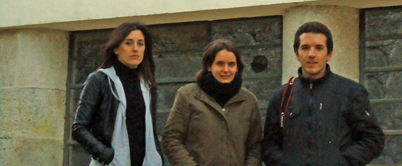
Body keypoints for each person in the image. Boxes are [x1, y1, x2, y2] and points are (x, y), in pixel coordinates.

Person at [262, 22, 384, 166]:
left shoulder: (350, 92)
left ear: (329, 54)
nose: (311, 54)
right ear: (296, 54)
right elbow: (269, 145)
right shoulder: (281, 96)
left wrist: (341, 162)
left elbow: (373, 139)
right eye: (305, 48)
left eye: (319, 48)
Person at [72, 22, 163, 166]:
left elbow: (149, 128)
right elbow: (79, 128)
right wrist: (106, 155)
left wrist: (158, 156)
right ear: (116, 48)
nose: (135, 49)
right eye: (128, 43)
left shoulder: (148, 84)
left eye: (140, 44)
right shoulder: (99, 80)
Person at [162, 39, 262, 166]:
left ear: (238, 67)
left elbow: (256, 146)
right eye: (220, 64)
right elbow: (171, 139)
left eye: (231, 64)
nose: (226, 70)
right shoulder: (188, 96)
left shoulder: (249, 101)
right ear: (209, 66)